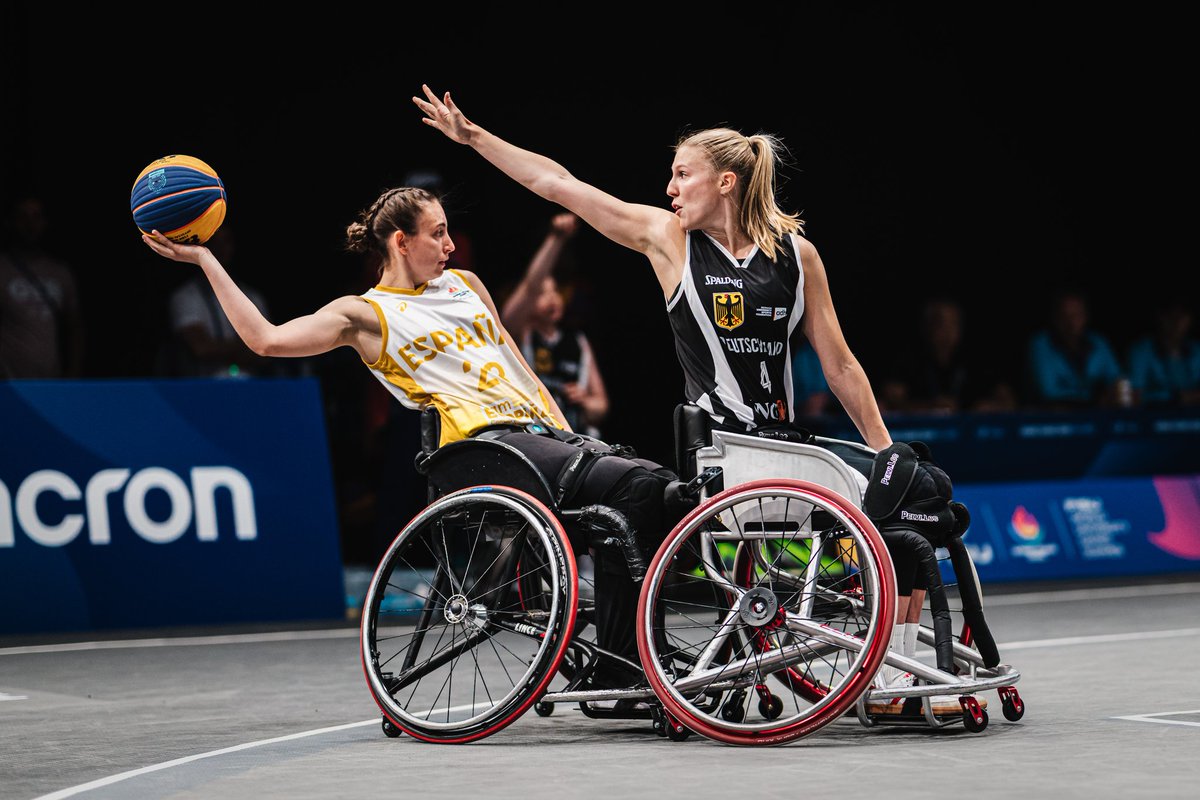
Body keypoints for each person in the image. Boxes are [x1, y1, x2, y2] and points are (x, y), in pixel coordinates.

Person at [413, 85, 958, 712]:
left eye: (681, 174)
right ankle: (895, 682)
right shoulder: (669, 240)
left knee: (918, 490)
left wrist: (885, 453)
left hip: (789, 452)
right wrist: (474, 136)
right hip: (730, 454)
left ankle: (896, 674)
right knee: (909, 497)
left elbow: (840, 365)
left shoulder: (798, 255)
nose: (669, 188)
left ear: (725, 182)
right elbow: (559, 184)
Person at [141, 186, 681, 682]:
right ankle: (626, 666)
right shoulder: (365, 314)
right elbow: (266, 340)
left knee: (657, 486)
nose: (450, 243)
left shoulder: (467, 284)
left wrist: (568, 436)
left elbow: (517, 364)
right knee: (633, 485)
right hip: (483, 447)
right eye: (438, 233)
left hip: (542, 437)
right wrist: (205, 260)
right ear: (402, 242)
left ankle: (626, 661)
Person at [501, 211, 609, 437]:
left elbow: (600, 406)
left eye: (555, 292)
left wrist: (586, 401)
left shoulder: (578, 341)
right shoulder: (520, 334)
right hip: (534, 438)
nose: (551, 298)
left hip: (575, 439)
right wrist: (556, 239)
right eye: (543, 294)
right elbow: (531, 285)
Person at [162, 227, 274, 378]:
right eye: (215, 242)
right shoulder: (186, 296)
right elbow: (202, 348)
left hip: (250, 383)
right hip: (204, 386)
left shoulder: (253, 296)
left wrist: (256, 345)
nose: (222, 249)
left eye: (226, 242)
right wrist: (247, 345)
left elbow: (266, 351)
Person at [879, 297, 1015, 415]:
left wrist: (991, 407)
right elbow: (890, 403)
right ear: (926, 326)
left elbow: (1008, 399)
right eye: (940, 323)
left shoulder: (976, 359)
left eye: (954, 323)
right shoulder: (909, 359)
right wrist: (930, 407)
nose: (948, 331)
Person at [0, 196, 84, 378]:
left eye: (36, 216)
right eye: (23, 216)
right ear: (11, 222)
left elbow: (74, 328)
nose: (30, 224)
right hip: (9, 384)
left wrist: (73, 374)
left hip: (50, 382)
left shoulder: (60, 273)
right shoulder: (3, 269)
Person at [1026, 289, 1125, 410]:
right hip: (1053, 417)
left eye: (1076, 315)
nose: (1071, 323)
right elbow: (1048, 393)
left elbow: (1117, 381)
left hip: (1095, 416)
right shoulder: (1040, 344)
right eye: (1064, 316)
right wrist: (1097, 399)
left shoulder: (1099, 343)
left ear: (1086, 317)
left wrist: (1116, 393)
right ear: (1055, 318)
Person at [1127, 301, 1200, 407]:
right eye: (1170, 316)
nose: (1176, 322)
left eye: (1182, 316)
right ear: (1159, 317)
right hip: (1153, 417)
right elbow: (1134, 395)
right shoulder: (1141, 351)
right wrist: (1174, 398)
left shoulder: (1197, 350)